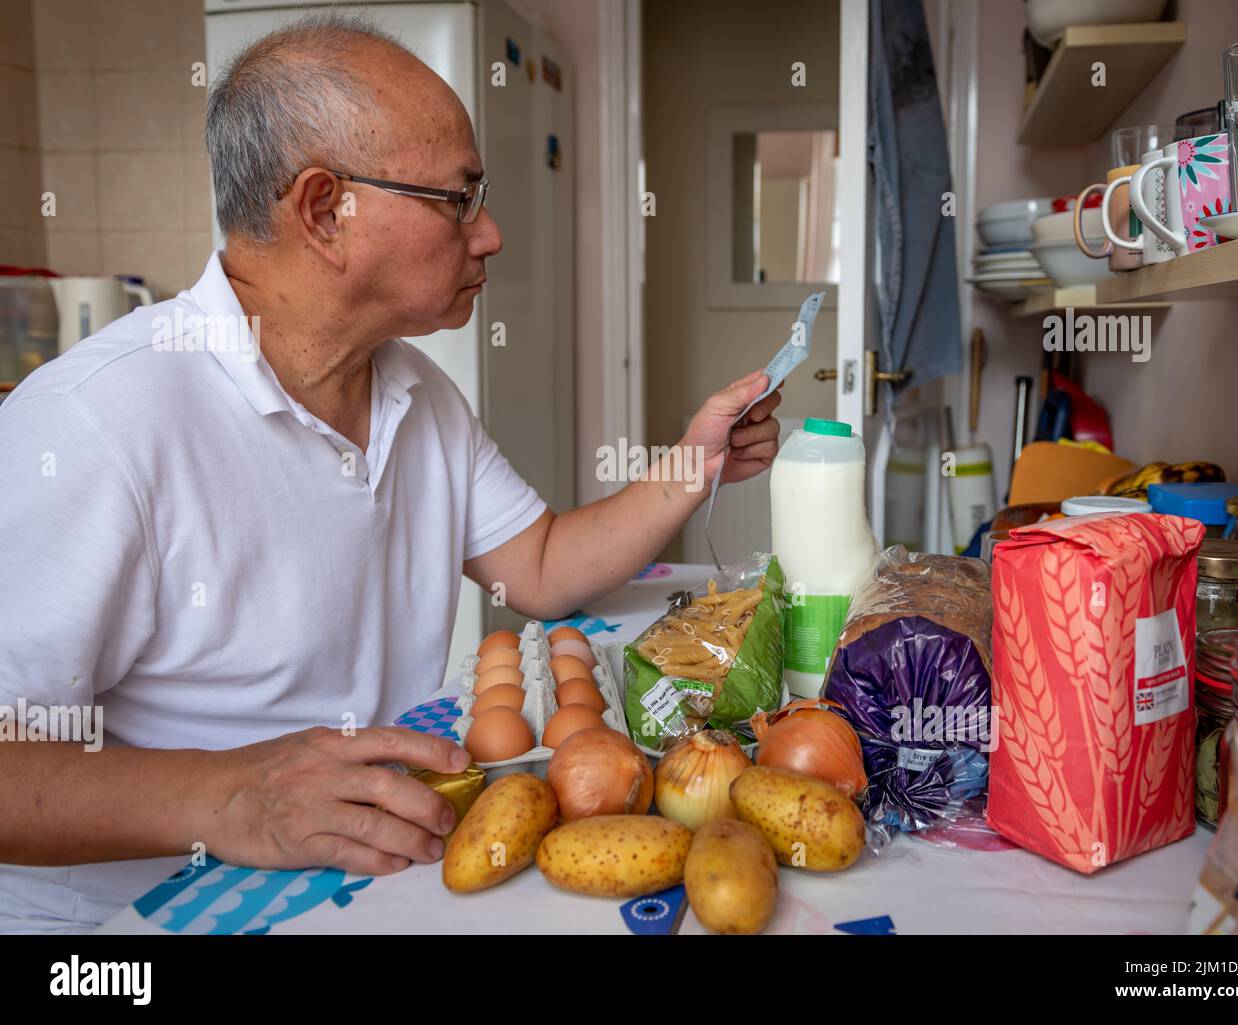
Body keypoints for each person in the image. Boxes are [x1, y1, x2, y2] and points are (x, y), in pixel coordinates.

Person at [0, 14, 783, 933]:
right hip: (126, 932)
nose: (488, 234)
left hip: (358, 889)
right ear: (327, 210)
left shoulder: (417, 391)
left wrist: (694, 462)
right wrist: (234, 797)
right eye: (459, 199)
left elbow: (537, 565)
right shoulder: (95, 421)